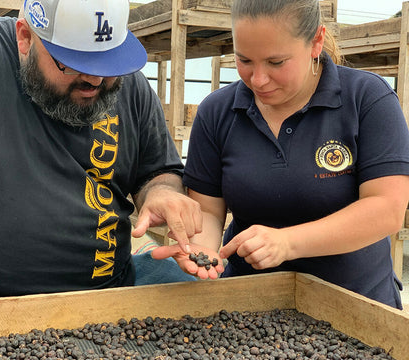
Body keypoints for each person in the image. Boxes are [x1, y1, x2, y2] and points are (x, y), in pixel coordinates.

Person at [0, 0, 201, 302]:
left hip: (113, 282)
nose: (95, 80)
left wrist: (161, 192)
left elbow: (157, 171)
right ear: (26, 38)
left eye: (108, 62)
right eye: (74, 62)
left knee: (201, 305)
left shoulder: (128, 85)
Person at [152, 0, 409, 309]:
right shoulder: (217, 111)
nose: (258, 79)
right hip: (251, 305)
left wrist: (287, 243)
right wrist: (201, 251)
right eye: (244, 60)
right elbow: (208, 211)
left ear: (315, 42)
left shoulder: (367, 99)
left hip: (355, 301)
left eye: (276, 62)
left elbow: (386, 209)